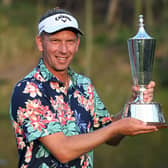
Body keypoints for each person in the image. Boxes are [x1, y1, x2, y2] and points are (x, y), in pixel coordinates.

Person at [10, 8, 158, 168]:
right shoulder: (27, 89)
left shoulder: (84, 85)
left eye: (70, 41)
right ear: (40, 43)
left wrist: (133, 104)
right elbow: (63, 150)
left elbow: (109, 135)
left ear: (77, 43)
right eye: (55, 41)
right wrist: (116, 127)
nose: (64, 50)